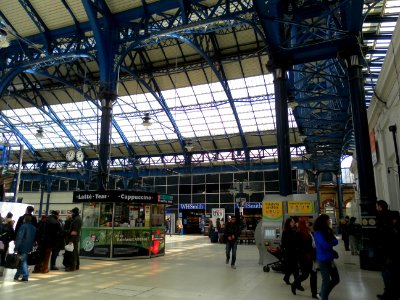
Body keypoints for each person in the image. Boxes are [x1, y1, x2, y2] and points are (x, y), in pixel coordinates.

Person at [314, 214, 340, 300]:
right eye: (328, 219)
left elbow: (336, 241)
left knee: (336, 279)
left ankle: (322, 293)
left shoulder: (328, 230)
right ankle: (324, 297)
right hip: (322, 260)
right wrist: (330, 242)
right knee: (326, 280)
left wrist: (330, 242)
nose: (329, 221)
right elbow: (325, 245)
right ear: (323, 221)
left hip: (330, 258)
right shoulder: (318, 233)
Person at [291, 218, 318, 298]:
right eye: (306, 222)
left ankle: (314, 293)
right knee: (305, 274)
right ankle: (294, 284)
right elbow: (297, 246)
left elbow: (313, 243)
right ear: (302, 224)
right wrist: (306, 252)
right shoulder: (299, 233)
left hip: (311, 256)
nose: (308, 223)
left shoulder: (309, 232)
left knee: (313, 274)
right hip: (304, 257)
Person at [14, 215, 37, 282]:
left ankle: (25, 276)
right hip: (29, 246)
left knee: (23, 262)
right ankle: (17, 275)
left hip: (22, 246)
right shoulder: (33, 228)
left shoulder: (23, 226)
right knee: (21, 261)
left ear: (24, 219)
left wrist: (16, 247)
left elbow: (19, 237)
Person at [281, 217, 300, 286]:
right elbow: (291, 241)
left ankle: (287, 278)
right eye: (292, 222)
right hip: (290, 252)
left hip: (292, 251)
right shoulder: (287, 231)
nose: (294, 223)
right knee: (295, 268)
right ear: (289, 223)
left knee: (291, 267)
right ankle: (297, 283)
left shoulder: (292, 230)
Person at [65, 207, 82, 272]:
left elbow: (74, 231)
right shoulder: (77, 218)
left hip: (73, 239)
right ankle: (76, 265)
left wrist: (71, 241)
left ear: (74, 212)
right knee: (75, 252)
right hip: (75, 238)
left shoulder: (76, 220)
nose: (71, 214)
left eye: (72, 212)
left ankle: (72, 267)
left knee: (73, 253)